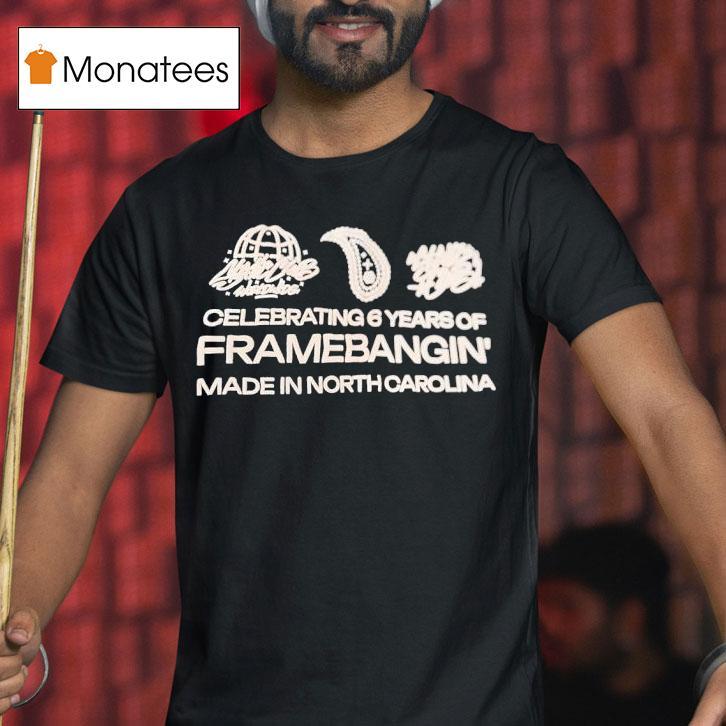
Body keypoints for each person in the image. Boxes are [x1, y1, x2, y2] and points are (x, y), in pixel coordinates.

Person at [2, 0, 724, 723]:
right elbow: (70, 475)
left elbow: (664, 414)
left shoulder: (523, 187)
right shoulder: (166, 209)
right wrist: (15, 622)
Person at [538, 522, 698, 725]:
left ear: (630, 619)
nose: (550, 626)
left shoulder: (702, 698)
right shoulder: (545, 703)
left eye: (566, 607)